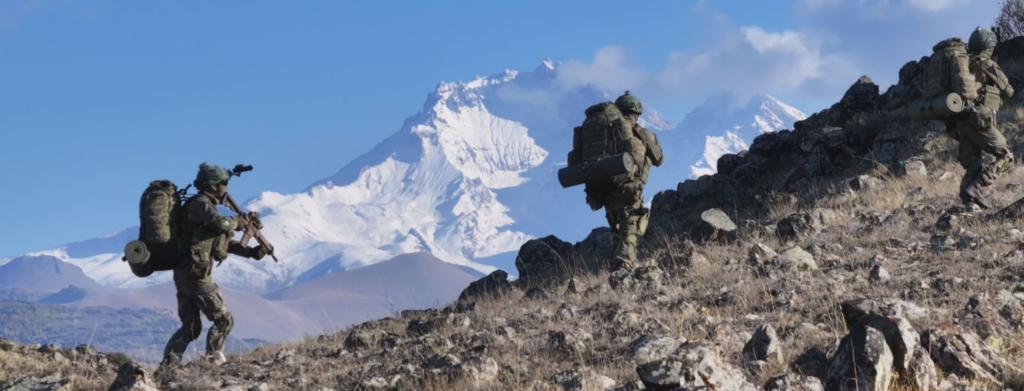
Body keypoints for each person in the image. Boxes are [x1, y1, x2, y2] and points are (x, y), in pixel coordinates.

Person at [159, 163, 267, 368]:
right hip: (196, 274)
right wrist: (240, 221)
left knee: (191, 326)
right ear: (214, 185)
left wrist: (251, 252)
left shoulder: (200, 207)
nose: (226, 188)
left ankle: (169, 364)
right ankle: (213, 360)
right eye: (224, 183)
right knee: (224, 319)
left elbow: (220, 242)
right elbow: (222, 225)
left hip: (186, 272)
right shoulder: (200, 204)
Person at [578, 91, 663, 270]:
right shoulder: (637, 132)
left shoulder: (604, 131)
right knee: (631, 221)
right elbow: (658, 159)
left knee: (617, 224)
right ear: (636, 113)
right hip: (628, 185)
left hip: (601, 184)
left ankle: (617, 263)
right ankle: (624, 263)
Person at [949, 27, 1016, 208]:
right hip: (979, 120)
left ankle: (969, 199)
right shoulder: (986, 64)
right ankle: (976, 186)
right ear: (989, 46)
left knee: (974, 164)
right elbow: (1008, 90)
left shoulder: (960, 66)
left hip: (960, 122)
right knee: (1006, 156)